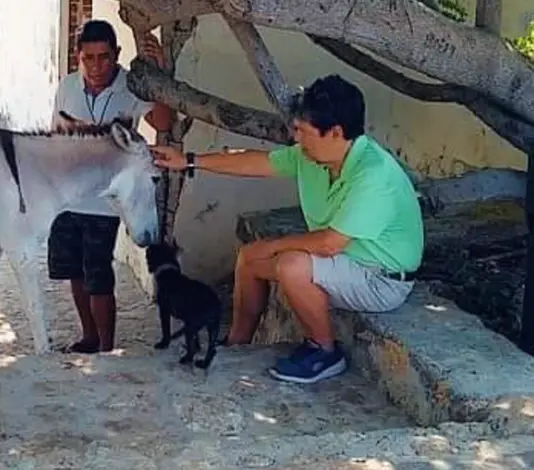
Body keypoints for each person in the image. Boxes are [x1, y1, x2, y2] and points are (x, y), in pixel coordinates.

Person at [150, 74, 424, 384]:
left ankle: (323, 351)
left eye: (303, 132)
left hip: (381, 280)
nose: (297, 140)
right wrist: (188, 161)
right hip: (347, 265)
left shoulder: (373, 174)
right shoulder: (313, 157)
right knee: (250, 257)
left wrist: (276, 245)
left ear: (335, 132)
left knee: (291, 265)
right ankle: (237, 344)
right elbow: (256, 163)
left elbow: (329, 244)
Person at [49, 19, 173, 354]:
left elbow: (163, 122)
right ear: (78, 56)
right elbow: (57, 136)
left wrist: (160, 74)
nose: (97, 66)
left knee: (98, 275)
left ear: (117, 54)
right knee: (74, 272)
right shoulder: (67, 86)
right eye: (89, 58)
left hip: (106, 199)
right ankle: (89, 337)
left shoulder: (131, 87)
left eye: (104, 57)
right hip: (68, 195)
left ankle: (106, 348)